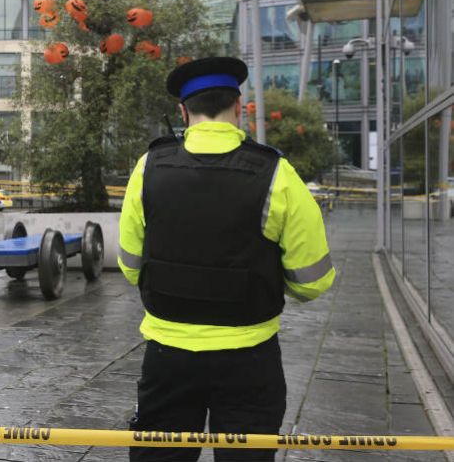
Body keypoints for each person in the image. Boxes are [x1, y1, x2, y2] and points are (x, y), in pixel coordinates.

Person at [118, 57, 335, 461]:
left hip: (168, 358)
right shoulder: (276, 173)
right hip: (250, 359)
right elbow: (313, 281)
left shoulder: (149, 168)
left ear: (184, 111)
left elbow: (131, 264)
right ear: (239, 107)